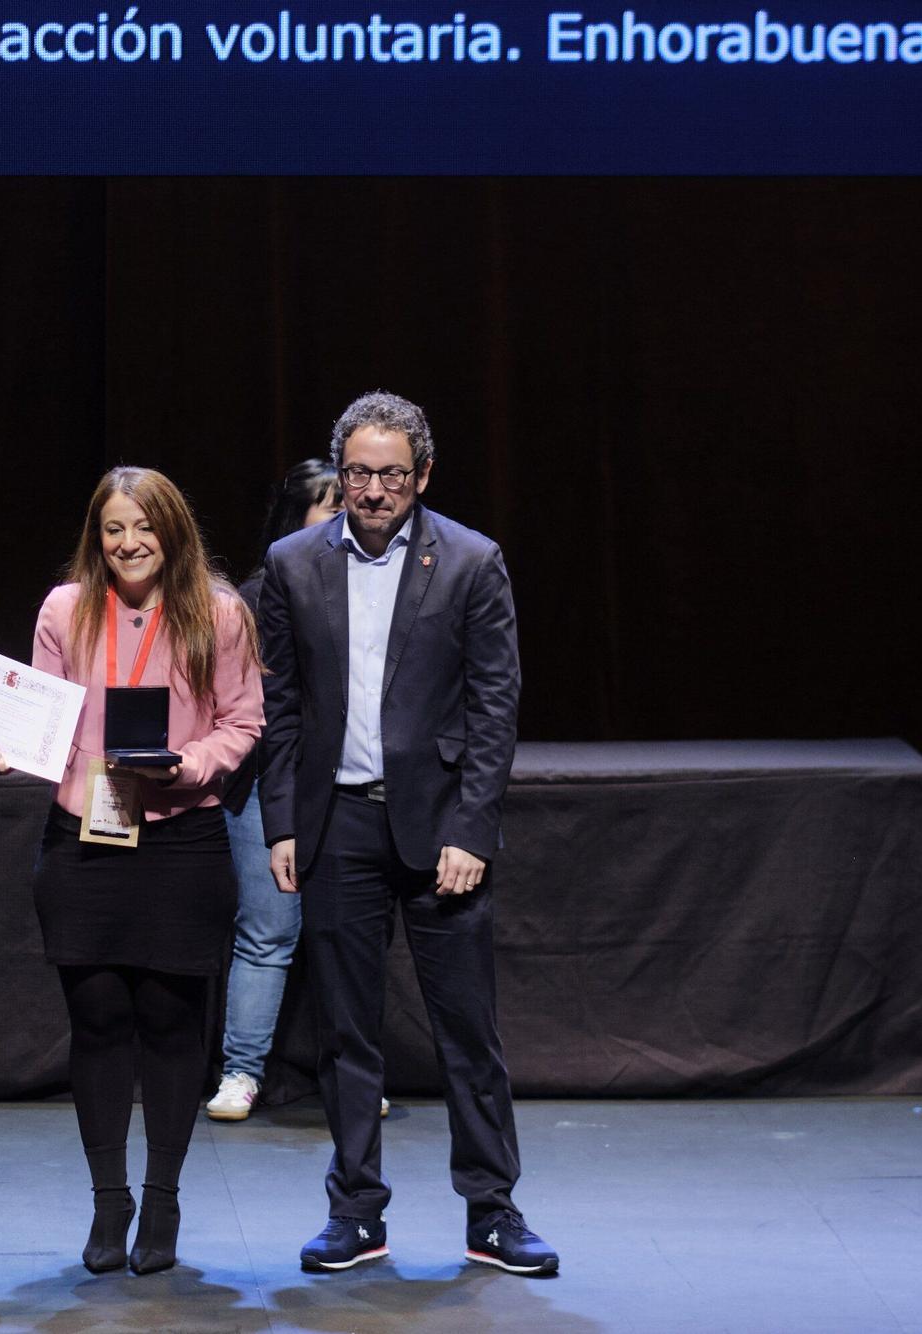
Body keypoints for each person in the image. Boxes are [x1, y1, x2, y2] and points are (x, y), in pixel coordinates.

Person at [258, 390, 558, 1276]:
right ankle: (355, 1211)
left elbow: (495, 707)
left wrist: (473, 828)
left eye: (392, 474)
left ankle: (493, 1212)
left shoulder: (470, 561)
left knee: (468, 1030)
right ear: (340, 473)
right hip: (337, 822)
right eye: (359, 473)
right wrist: (282, 822)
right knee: (346, 1031)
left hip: (440, 830)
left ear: (422, 475)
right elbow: (280, 707)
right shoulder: (292, 562)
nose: (375, 490)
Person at [0, 466, 263, 1275]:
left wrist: (188, 765)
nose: (129, 543)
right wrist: (6, 747)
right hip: (85, 839)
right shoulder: (65, 609)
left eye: (144, 526)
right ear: (96, 538)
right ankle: (110, 1202)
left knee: (169, 1022)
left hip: (181, 839)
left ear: (173, 530)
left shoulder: (219, 613)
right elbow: (46, 720)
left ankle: (161, 1201)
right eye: (113, 529)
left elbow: (243, 722)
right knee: (97, 1020)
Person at [206, 458, 349, 1122]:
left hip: (346, 783)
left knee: (348, 931)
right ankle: (241, 1072)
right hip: (268, 781)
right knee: (269, 929)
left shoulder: (377, 587)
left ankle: (354, 1071)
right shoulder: (257, 596)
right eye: (331, 505)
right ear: (297, 518)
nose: (347, 515)